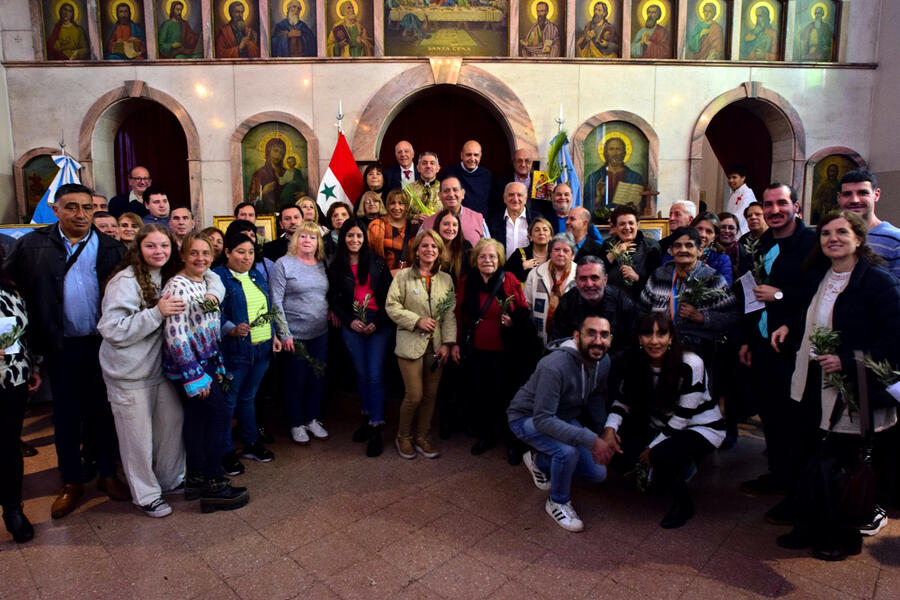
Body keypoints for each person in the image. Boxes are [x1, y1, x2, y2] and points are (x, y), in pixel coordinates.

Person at [771, 210, 899, 560]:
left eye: (841, 232)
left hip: (849, 388)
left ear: (859, 238)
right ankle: (807, 527)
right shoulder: (823, 276)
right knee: (808, 459)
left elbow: (894, 337)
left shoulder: (877, 282)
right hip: (813, 381)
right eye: (826, 233)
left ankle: (842, 538)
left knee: (839, 468)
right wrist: (791, 328)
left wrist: (847, 358)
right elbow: (814, 314)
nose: (832, 239)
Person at [8, 183, 130, 520]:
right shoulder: (32, 246)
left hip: (102, 345)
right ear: (56, 210)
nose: (81, 214)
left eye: (87, 208)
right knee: (65, 416)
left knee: (103, 412)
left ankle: (107, 474)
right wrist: (27, 350)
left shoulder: (111, 248)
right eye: (72, 207)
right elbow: (12, 295)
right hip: (59, 346)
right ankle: (71, 481)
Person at [98, 225, 199, 518]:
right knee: (137, 438)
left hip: (161, 370)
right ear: (138, 248)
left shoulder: (168, 275)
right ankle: (145, 495)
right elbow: (111, 329)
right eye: (152, 246)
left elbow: (209, 278)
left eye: (165, 246)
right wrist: (156, 312)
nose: (159, 252)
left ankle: (170, 480)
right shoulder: (124, 281)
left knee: (171, 425)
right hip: (129, 373)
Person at [737, 184, 818, 516]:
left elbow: (818, 295)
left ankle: (798, 492)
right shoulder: (763, 242)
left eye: (780, 203)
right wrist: (746, 338)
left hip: (794, 343)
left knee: (793, 420)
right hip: (763, 340)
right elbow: (752, 293)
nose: (773, 210)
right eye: (768, 205)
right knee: (769, 412)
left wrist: (782, 297)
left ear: (795, 206)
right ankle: (778, 474)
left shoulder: (811, 244)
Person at [604, 313, 725, 528]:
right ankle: (664, 474)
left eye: (661, 334)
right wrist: (609, 430)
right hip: (661, 426)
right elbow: (622, 401)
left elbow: (682, 418)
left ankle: (683, 505)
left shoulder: (690, 363)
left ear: (671, 338)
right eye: (647, 334)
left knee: (660, 455)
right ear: (639, 338)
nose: (654, 340)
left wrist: (650, 449)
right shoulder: (635, 361)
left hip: (700, 427)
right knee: (618, 453)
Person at [162, 232, 249, 512]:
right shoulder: (177, 286)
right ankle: (213, 483)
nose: (200, 258)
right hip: (192, 366)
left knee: (198, 419)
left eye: (205, 253)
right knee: (219, 416)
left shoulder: (206, 282)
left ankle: (197, 476)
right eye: (194, 253)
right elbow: (176, 336)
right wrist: (194, 375)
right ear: (184, 256)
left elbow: (209, 323)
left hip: (210, 360)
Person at [507, 315, 616, 532]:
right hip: (526, 418)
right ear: (577, 337)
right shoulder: (554, 365)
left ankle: (538, 460)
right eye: (591, 334)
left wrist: (603, 432)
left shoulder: (603, 361)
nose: (597, 340)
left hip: (561, 418)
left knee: (597, 473)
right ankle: (557, 501)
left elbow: (595, 397)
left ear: (610, 339)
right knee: (567, 452)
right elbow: (543, 419)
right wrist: (590, 440)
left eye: (604, 335)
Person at [453, 239, 534, 460]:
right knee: (481, 394)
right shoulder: (467, 281)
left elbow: (523, 310)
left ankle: (511, 440)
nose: (487, 260)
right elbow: (459, 315)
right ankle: (485, 435)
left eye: (492, 256)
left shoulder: (508, 279)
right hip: (477, 350)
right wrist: (456, 344)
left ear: (499, 259)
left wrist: (513, 322)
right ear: (475, 260)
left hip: (504, 351)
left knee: (506, 396)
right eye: (482, 256)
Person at [386, 230, 457, 459]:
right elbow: (392, 306)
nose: (429, 250)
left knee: (430, 395)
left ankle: (422, 436)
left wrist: (447, 343)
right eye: (424, 246)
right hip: (409, 345)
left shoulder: (446, 279)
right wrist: (417, 320)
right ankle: (403, 437)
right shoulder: (403, 276)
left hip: (436, 347)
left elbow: (449, 314)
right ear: (416, 251)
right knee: (414, 395)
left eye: (434, 247)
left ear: (439, 252)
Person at [214, 231, 278, 477]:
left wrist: (274, 336)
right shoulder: (218, 278)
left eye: (251, 252)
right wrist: (230, 328)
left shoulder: (255, 275)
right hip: (235, 352)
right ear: (228, 253)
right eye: (240, 252)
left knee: (248, 398)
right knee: (228, 402)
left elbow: (266, 307)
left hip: (260, 350)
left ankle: (251, 443)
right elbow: (212, 312)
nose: (247, 257)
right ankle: (225, 451)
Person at [328, 219, 393, 457]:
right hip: (352, 322)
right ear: (343, 237)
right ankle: (367, 416)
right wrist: (349, 321)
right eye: (350, 236)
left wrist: (378, 322)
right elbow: (334, 299)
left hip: (378, 323)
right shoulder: (336, 266)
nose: (354, 240)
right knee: (362, 373)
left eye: (358, 236)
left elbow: (390, 295)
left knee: (375, 374)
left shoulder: (376, 261)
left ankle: (376, 425)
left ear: (364, 238)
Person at [269, 222, 330, 445]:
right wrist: (284, 334)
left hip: (320, 332)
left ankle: (312, 419)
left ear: (318, 242)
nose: (307, 241)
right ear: (296, 239)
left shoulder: (321, 264)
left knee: (317, 377)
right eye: (303, 236)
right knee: (296, 380)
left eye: (312, 237)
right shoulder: (283, 264)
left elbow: (324, 295)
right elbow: (275, 301)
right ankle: (296, 423)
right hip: (295, 335)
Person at [641, 226, 737, 363]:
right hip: (657, 346)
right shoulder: (659, 275)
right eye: (678, 246)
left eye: (689, 245)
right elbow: (642, 309)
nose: (683, 250)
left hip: (695, 348)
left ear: (699, 251)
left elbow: (732, 316)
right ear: (671, 251)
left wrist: (702, 317)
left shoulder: (712, 279)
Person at [0, 246, 41, 542]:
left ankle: (13, 510)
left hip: (10, 379)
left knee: (7, 447)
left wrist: (32, 365)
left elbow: (22, 331)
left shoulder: (9, 289)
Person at [549, 256, 637, 350]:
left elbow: (630, 346)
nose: (589, 284)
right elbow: (558, 342)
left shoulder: (623, 304)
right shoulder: (567, 302)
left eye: (594, 278)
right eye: (583, 278)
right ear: (576, 281)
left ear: (605, 280)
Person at [837, 169, 900, 279]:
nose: (854, 200)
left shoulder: (895, 240)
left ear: (876, 195)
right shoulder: (830, 236)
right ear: (839, 197)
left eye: (862, 193)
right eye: (847, 194)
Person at [524, 233, 576, 347]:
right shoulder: (535, 274)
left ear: (573, 255)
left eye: (566, 250)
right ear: (550, 252)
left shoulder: (580, 275)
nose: (560, 254)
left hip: (570, 339)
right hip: (538, 338)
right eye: (556, 249)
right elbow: (526, 305)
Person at [600, 204, 661, 300]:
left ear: (638, 224)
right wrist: (612, 255)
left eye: (631, 223)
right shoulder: (607, 245)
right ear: (615, 227)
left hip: (641, 306)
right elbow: (597, 274)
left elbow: (658, 284)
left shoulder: (651, 247)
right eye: (622, 224)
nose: (627, 227)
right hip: (611, 304)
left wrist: (637, 277)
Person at [662, 211, 733, 285]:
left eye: (709, 231)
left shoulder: (721, 259)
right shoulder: (676, 252)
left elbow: (724, 288)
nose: (702, 234)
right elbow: (663, 278)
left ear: (714, 237)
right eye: (699, 229)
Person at [420, 177, 490, 246]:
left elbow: (487, 250)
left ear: (462, 194)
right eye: (446, 191)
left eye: (455, 190)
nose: (451, 194)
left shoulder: (478, 219)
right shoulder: (427, 223)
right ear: (439, 196)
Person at [582, 137, 645, 212]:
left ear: (624, 153)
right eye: (611, 149)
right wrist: (599, 197)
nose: (615, 153)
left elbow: (641, 206)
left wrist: (635, 206)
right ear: (606, 153)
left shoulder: (635, 177)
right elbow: (584, 206)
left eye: (618, 149)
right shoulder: (594, 177)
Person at [442, 140, 496, 218]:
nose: (472, 158)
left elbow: (492, 204)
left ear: (480, 156)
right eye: (468, 155)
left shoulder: (487, 175)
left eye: (476, 155)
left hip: (480, 222)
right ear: (461, 155)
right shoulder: (450, 172)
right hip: (454, 220)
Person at [368, 189, 414, 273]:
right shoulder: (376, 225)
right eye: (392, 203)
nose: (396, 207)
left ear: (406, 206)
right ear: (387, 205)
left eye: (401, 203)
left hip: (407, 278)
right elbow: (369, 255)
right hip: (382, 278)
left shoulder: (414, 228)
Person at [489, 182, 534, 260]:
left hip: (529, 269)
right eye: (511, 195)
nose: (515, 199)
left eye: (519, 195)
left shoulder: (536, 219)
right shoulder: (493, 221)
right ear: (504, 198)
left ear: (525, 199)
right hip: (502, 269)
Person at [505, 218, 553, 283]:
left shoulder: (555, 255)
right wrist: (522, 267)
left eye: (545, 230)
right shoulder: (519, 253)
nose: (541, 233)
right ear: (530, 236)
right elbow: (505, 276)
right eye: (537, 230)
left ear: (551, 236)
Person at [433, 209, 471, 286]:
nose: (450, 228)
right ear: (438, 225)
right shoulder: (430, 246)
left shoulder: (466, 247)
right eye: (446, 224)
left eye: (454, 225)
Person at [248, 138, 286, 213]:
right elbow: (251, 200)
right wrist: (264, 192)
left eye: (281, 153)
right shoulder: (260, 173)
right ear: (269, 151)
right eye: (275, 151)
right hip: (266, 214)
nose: (278, 155)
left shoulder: (286, 172)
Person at [404, 152, 442, 225]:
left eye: (432, 163)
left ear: (438, 168)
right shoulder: (409, 189)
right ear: (418, 168)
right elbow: (402, 212)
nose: (428, 166)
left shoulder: (444, 189)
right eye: (424, 163)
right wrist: (414, 217)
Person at [717, 211, 752, 278]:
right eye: (723, 227)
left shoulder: (744, 252)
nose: (727, 231)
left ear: (737, 231)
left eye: (731, 228)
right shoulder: (708, 250)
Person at [725, 167, 757, 236]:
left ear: (743, 178)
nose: (731, 180)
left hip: (741, 232)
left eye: (734, 177)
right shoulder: (734, 193)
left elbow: (740, 216)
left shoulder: (747, 193)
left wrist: (725, 222)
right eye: (729, 178)